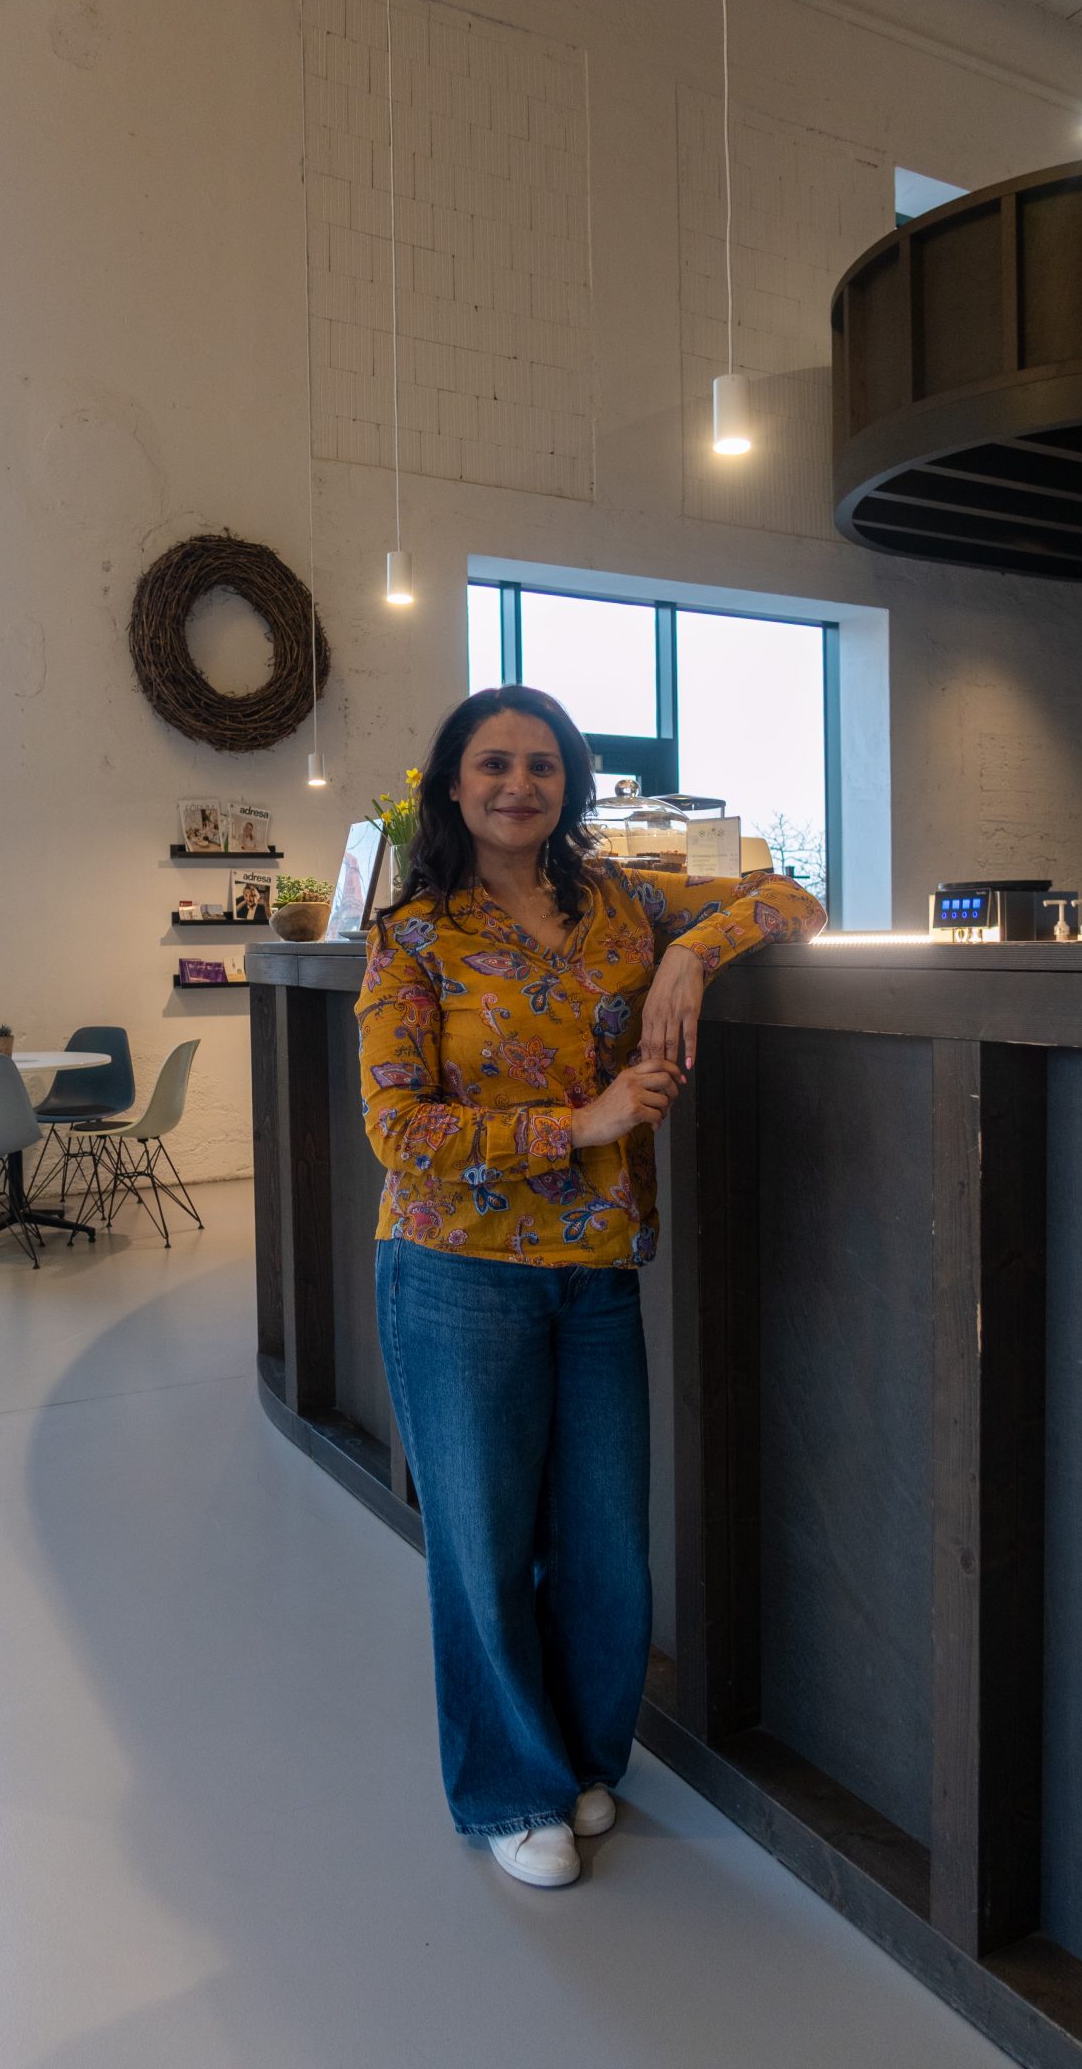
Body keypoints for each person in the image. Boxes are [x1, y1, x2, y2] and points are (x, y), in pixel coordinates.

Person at [354, 685, 825, 1890]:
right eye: (494, 763)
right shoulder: (414, 933)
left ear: (569, 784)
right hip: (457, 1272)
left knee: (607, 1545)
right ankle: (511, 1789)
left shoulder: (623, 905)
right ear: (451, 785)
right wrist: (584, 1123)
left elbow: (793, 898)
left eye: (543, 764)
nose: (520, 784)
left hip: (598, 1270)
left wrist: (689, 953)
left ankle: (578, 1757)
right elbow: (399, 1131)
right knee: (484, 1545)